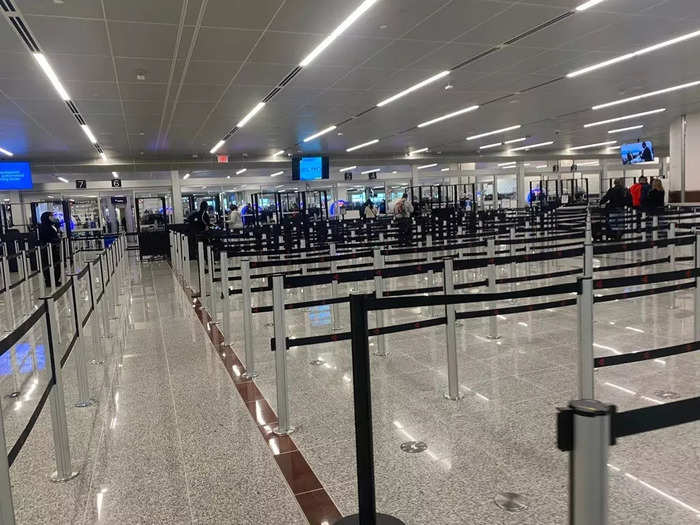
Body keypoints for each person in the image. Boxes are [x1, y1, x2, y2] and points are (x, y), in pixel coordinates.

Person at [38, 211, 62, 287]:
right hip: (48, 249)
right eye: (51, 216)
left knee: (56, 265)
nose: (53, 217)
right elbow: (46, 238)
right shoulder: (43, 227)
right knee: (48, 265)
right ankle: (49, 281)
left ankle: (55, 280)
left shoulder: (52, 225)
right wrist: (56, 239)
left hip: (54, 248)